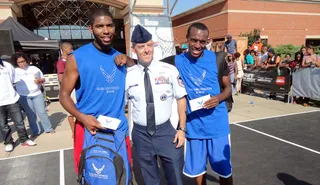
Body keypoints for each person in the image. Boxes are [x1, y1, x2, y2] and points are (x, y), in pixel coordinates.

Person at [114, 23, 233, 185]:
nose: (198, 45)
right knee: (199, 173)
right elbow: (147, 62)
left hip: (217, 125)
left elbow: (228, 89)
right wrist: (125, 58)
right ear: (187, 39)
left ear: (207, 41)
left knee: (224, 171)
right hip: (195, 127)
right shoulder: (176, 61)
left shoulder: (218, 59)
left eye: (202, 41)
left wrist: (218, 98)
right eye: (194, 40)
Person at [59, 8, 130, 174]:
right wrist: (83, 118)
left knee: (121, 176)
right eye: (100, 26)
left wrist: (129, 58)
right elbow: (63, 96)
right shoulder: (76, 57)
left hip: (118, 130)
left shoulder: (121, 57)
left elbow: (142, 65)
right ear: (91, 29)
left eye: (110, 26)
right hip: (89, 130)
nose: (106, 31)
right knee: (93, 177)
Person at [126, 24, 187, 185]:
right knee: (148, 181)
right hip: (141, 134)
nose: (146, 50)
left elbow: (181, 98)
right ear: (134, 49)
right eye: (141, 47)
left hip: (166, 132)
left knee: (176, 177)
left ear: (153, 45)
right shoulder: (126, 75)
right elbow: (120, 105)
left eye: (149, 45)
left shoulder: (169, 70)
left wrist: (181, 129)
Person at [12, 53, 55, 136]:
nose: (22, 63)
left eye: (23, 61)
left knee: (42, 112)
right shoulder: (15, 71)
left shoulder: (33, 68)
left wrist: (39, 80)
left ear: (26, 60)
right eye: (19, 62)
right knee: (30, 114)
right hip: (24, 96)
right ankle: (35, 131)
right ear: (16, 63)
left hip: (37, 94)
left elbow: (43, 79)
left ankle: (48, 128)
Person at [0, 59, 36, 152]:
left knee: (19, 122)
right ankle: (8, 142)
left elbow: (14, 80)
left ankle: (24, 140)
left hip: (12, 99)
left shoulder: (7, 65)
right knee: (3, 125)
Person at [56, 42, 76, 136]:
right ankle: (74, 132)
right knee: (70, 112)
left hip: (75, 87)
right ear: (65, 50)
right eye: (70, 49)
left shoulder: (71, 59)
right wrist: (65, 90)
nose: (72, 50)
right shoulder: (61, 62)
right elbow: (60, 76)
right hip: (69, 90)